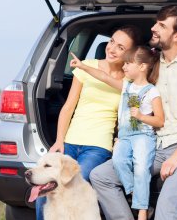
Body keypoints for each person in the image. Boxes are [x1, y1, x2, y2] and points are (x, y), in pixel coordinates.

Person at [90, 5, 177, 220]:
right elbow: (132, 98)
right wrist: (124, 139)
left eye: (161, 25)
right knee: (100, 176)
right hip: (154, 143)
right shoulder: (149, 64)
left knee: (166, 206)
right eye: (156, 23)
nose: (153, 28)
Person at [35, 25, 144, 220]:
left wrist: (124, 140)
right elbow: (68, 107)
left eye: (120, 47)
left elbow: (134, 115)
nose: (111, 49)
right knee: (45, 190)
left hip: (98, 147)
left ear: (130, 54)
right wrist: (59, 140)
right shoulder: (86, 65)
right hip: (70, 141)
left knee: (73, 185)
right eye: (111, 41)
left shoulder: (131, 80)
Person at [70, 45, 164, 220]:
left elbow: (159, 120)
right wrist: (83, 66)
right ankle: (136, 193)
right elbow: (103, 77)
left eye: (128, 63)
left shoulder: (152, 91)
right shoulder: (126, 86)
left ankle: (142, 211)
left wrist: (142, 116)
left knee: (141, 167)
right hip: (125, 136)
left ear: (142, 67)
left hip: (143, 134)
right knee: (119, 162)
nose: (124, 67)